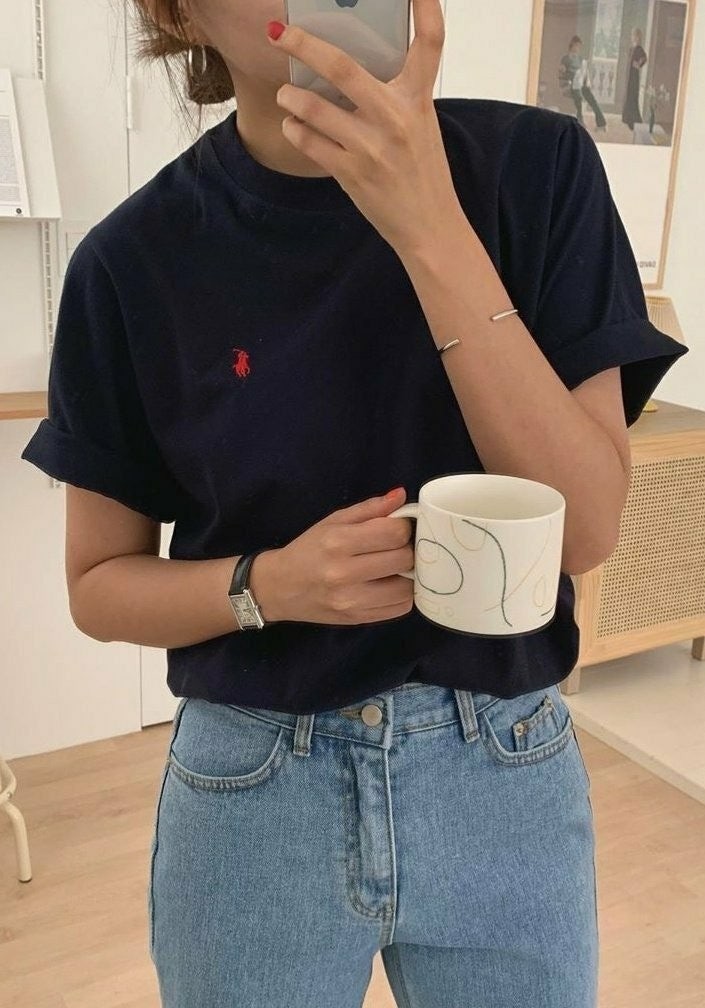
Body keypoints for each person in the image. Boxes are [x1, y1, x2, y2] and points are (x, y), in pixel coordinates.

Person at [20, 1, 688, 1006]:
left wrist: (428, 225)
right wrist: (267, 586)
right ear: (179, 11)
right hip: (252, 786)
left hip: (501, 770)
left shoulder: (537, 173)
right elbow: (98, 586)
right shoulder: (133, 261)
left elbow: (583, 529)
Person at [560, 35, 607, 132]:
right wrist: (565, 76)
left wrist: (586, 80)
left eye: (579, 46)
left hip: (580, 83)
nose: (578, 48)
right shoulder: (566, 59)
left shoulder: (580, 59)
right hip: (571, 84)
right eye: (576, 46)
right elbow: (562, 73)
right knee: (579, 98)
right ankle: (580, 121)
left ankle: (601, 123)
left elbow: (584, 72)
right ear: (572, 45)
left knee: (592, 99)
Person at [622, 26, 648, 131]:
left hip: (634, 77)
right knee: (628, 96)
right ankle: (628, 119)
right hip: (629, 76)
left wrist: (638, 65)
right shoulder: (631, 48)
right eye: (633, 35)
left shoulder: (639, 49)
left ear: (638, 37)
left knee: (632, 96)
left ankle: (634, 121)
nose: (633, 37)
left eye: (635, 35)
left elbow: (644, 58)